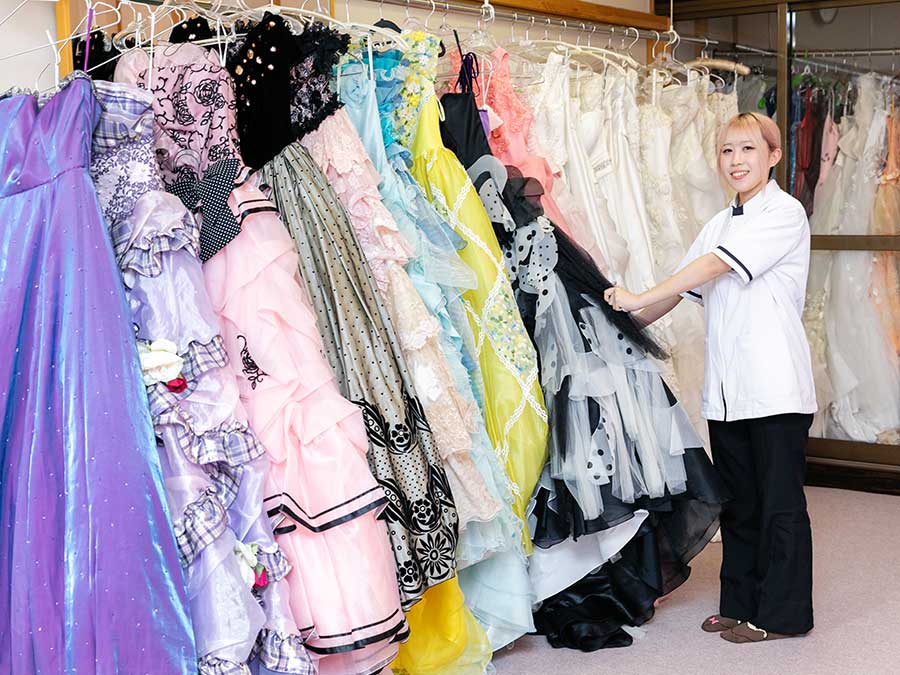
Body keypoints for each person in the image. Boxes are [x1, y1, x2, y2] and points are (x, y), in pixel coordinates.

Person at [603, 112, 817, 644]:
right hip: (727, 392)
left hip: (775, 387)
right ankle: (739, 603)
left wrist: (638, 295)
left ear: (773, 155)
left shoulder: (784, 213)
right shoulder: (719, 223)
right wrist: (621, 324)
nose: (736, 161)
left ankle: (783, 616)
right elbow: (682, 287)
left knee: (780, 505)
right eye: (726, 151)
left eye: (748, 149)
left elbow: (713, 267)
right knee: (739, 503)